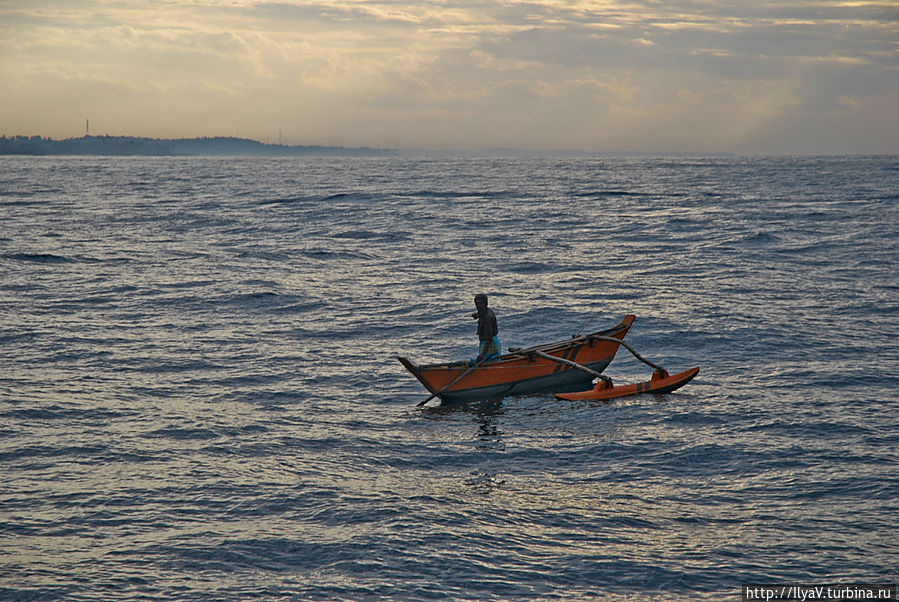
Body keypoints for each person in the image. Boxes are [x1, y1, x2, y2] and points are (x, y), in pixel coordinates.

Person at [471, 294, 501, 363]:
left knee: (489, 364)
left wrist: (482, 355)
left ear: (486, 303)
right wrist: (477, 315)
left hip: (490, 344)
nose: (478, 306)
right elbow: (482, 313)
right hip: (486, 343)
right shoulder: (485, 311)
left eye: (481, 304)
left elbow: (488, 338)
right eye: (477, 304)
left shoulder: (488, 318)